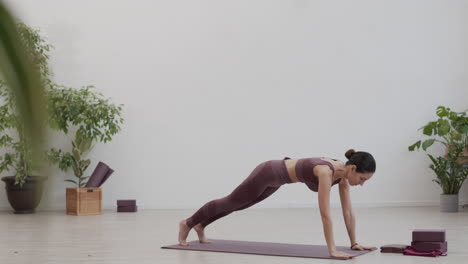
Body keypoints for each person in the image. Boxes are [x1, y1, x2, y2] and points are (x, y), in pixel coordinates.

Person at [178, 149, 377, 259]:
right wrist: (332, 250)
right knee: (231, 201)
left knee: (240, 205)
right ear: (352, 168)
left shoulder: (343, 178)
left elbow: (348, 212)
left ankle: (200, 225)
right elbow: (325, 214)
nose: (362, 184)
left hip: (279, 180)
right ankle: (187, 223)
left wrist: (354, 243)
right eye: (362, 179)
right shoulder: (326, 172)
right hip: (269, 172)